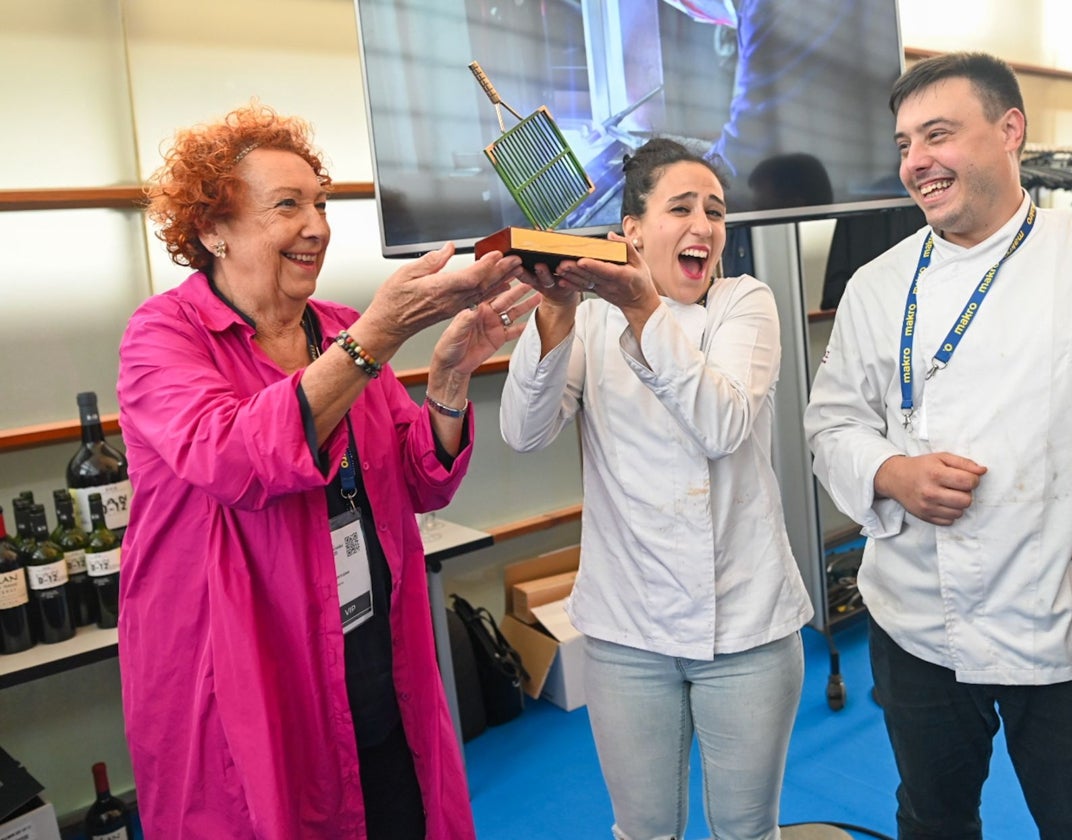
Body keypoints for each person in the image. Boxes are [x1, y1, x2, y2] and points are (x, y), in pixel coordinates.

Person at [804, 52, 1072, 839]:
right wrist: (891, 470)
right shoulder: (878, 286)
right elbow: (831, 423)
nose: (916, 161)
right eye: (905, 142)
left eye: (938, 134)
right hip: (918, 622)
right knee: (931, 817)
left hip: (1070, 620)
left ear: (1010, 131)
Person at [116, 103, 535, 839]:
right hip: (249, 672)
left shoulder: (336, 329)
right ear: (212, 230)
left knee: (396, 807)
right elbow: (236, 457)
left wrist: (447, 373)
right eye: (288, 205)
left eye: (320, 202)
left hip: (370, 649)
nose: (316, 224)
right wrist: (380, 334)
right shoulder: (164, 337)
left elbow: (418, 477)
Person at [500, 138, 813, 840]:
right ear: (631, 232)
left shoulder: (745, 302)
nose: (704, 225)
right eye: (681, 207)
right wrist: (551, 321)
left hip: (747, 629)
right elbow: (524, 431)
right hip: (625, 633)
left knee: (747, 832)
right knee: (643, 832)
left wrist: (646, 310)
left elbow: (723, 424)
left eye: (716, 210)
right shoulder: (589, 316)